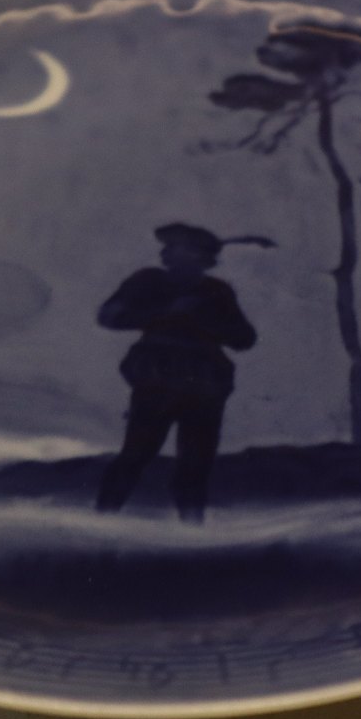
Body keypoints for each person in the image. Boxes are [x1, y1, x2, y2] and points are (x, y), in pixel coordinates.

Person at [94, 223, 266, 522]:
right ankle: (102, 522)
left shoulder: (217, 291)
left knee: (196, 463)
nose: (165, 252)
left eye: (174, 246)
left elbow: (244, 339)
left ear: (197, 255)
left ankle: (192, 530)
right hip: (156, 381)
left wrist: (206, 320)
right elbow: (108, 316)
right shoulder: (146, 280)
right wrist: (167, 312)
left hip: (205, 386)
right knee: (136, 455)